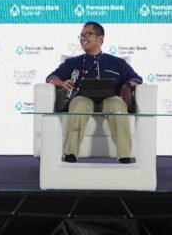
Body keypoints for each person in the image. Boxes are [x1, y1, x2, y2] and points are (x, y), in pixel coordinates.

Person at [46, 22, 143, 164]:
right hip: (83, 98)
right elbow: (51, 78)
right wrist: (62, 83)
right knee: (78, 104)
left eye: (88, 34)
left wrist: (128, 85)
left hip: (110, 98)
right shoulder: (73, 62)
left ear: (100, 39)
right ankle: (70, 154)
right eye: (81, 35)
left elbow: (137, 79)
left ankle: (124, 156)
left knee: (117, 105)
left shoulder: (117, 62)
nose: (83, 38)